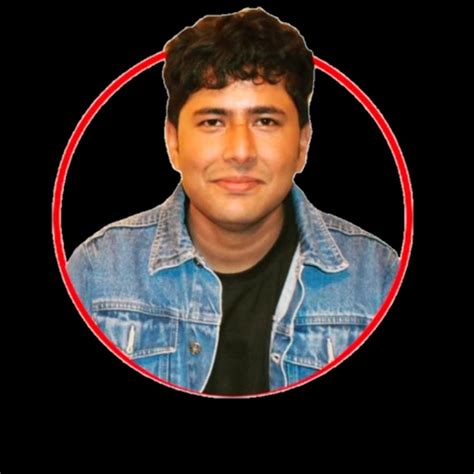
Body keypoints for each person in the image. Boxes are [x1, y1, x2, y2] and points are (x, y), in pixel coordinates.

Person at [67, 7, 399, 396]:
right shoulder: (96, 272)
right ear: (173, 142)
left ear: (303, 144)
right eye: (213, 121)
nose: (240, 151)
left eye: (265, 121)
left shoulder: (379, 278)